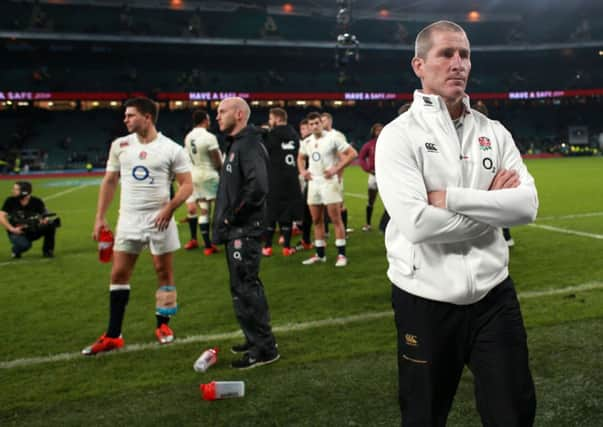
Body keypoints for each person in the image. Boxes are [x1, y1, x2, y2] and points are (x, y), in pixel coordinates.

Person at [375, 21, 537, 426]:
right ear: (419, 64)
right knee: (424, 415)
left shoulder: (494, 132)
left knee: (514, 413)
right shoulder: (398, 136)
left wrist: (453, 200)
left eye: (464, 54)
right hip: (424, 300)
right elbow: (416, 224)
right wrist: (491, 209)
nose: (458, 63)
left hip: (494, 297)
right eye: (446, 54)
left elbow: (527, 207)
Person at [82, 97, 193, 355]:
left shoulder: (171, 149)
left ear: (147, 117)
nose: (125, 119)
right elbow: (109, 181)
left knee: (163, 272)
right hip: (128, 220)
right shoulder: (120, 146)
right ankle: (113, 335)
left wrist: (169, 207)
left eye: (130, 115)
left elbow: (187, 184)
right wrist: (100, 217)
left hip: (160, 219)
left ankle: (163, 325)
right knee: (119, 274)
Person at [213, 97, 279, 369]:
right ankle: (254, 340)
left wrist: (231, 217)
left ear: (239, 114)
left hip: (245, 229)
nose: (217, 116)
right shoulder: (236, 145)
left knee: (247, 288)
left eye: (222, 111)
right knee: (240, 288)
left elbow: (257, 187)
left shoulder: (249, 144)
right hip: (236, 230)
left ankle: (265, 349)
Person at [298, 112, 357, 267]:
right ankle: (320, 254)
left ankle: (342, 255)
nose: (315, 126)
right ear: (309, 126)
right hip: (313, 183)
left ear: (321, 123)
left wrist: (336, 169)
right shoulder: (307, 141)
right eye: (311, 124)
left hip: (329, 182)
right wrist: (303, 171)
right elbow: (300, 157)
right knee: (317, 220)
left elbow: (352, 154)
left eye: (317, 123)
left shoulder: (333, 138)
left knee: (336, 220)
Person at [261, 107, 304, 257]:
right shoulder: (294, 133)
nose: (269, 121)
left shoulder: (271, 134)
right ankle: (286, 247)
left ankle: (267, 247)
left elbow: (264, 153)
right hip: (292, 178)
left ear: (278, 119)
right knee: (287, 214)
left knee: (271, 213)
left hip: (275, 178)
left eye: (271, 118)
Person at [473, 100, 515, 247]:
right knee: (498, 208)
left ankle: (498, 237)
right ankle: (506, 236)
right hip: (494, 175)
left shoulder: (472, 131)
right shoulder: (496, 130)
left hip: (482, 176)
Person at [183, 108, 222, 255]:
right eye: (209, 119)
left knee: (204, 209)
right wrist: (222, 171)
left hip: (195, 175)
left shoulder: (188, 137)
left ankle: (207, 246)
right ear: (205, 120)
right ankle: (222, 237)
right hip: (209, 175)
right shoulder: (209, 137)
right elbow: (216, 161)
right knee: (223, 206)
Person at [0, 181, 60, 258]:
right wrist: (12, 229)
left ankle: (48, 251)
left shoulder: (37, 201)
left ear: (24, 192)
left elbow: (45, 213)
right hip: (17, 231)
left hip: (32, 229)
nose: (12, 191)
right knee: (25, 245)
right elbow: (1, 216)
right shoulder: (10, 201)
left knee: (51, 225)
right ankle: (15, 250)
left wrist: (45, 220)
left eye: (16, 189)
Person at [320, 112, 353, 233]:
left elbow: (344, 157)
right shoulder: (319, 136)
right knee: (322, 203)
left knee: (340, 204)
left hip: (335, 175)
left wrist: (340, 172)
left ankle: (343, 230)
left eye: (324, 120)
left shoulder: (337, 135)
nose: (322, 123)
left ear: (330, 121)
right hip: (322, 175)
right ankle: (326, 231)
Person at [357, 122, 384, 232]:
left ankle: (387, 224)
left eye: (381, 129)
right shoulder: (369, 144)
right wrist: (367, 169)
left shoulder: (389, 143)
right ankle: (368, 224)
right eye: (377, 130)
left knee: (389, 201)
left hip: (386, 176)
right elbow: (361, 158)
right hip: (373, 176)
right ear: (373, 132)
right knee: (371, 201)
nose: (379, 131)